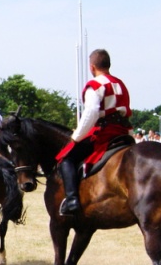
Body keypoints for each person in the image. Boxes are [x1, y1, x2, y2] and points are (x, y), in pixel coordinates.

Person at [54, 49, 131, 216]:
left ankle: (72, 200)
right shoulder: (120, 83)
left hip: (105, 133)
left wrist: (75, 137)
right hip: (123, 132)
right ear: (108, 65)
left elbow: (91, 113)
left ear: (92, 67)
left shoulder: (95, 86)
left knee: (65, 158)